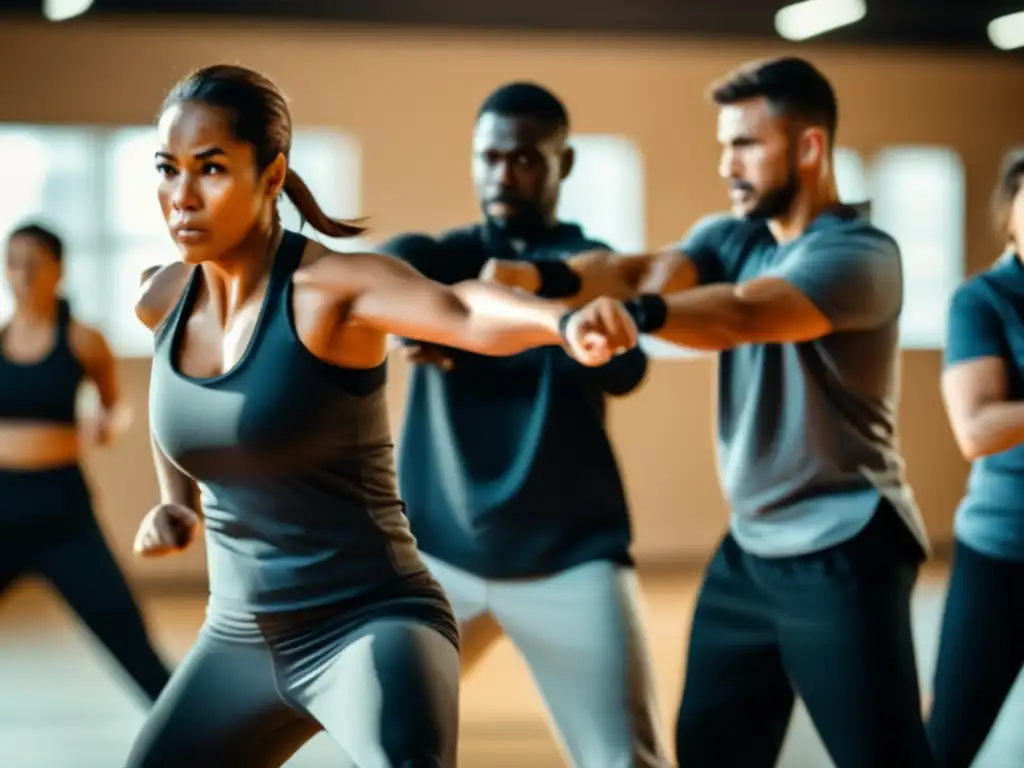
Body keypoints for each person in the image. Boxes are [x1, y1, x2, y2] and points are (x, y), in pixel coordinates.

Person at [125, 64, 636, 768]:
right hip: (235, 637)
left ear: (271, 177)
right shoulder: (163, 297)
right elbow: (180, 410)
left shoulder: (333, 290)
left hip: (368, 622)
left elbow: (460, 307)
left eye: (210, 169)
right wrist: (175, 500)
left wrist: (562, 321)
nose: (181, 197)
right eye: (166, 168)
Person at [484, 57, 935, 767]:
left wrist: (635, 318)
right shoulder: (735, 237)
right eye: (724, 143)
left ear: (810, 147)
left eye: (746, 144)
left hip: (844, 545)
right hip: (750, 552)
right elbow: (641, 271)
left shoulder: (861, 255)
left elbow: (742, 313)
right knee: (710, 749)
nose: (727, 163)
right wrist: (536, 277)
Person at [379, 81, 669, 768]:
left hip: (569, 556)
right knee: (391, 747)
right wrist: (403, 325)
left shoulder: (591, 268)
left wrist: (562, 309)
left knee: (628, 759)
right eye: (490, 157)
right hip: (439, 552)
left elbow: (628, 373)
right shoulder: (446, 259)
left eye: (526, 159)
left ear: (562, 165)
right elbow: (387, 275)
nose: (503, 174)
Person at [0, 223, 171, 704]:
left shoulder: (82, 340)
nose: (23, 273)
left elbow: (117, 407)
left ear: (58, 269)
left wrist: (108, 423)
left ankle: (199, 742)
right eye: (13, 261)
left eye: (34, 261)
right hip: (2, 509)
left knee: (127, 636)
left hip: (63, 515)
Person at [927, 148, 1024, 768]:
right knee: (949, 739)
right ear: (1009, 216)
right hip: (1004, 548)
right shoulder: (983, 300)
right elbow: (977, 428)